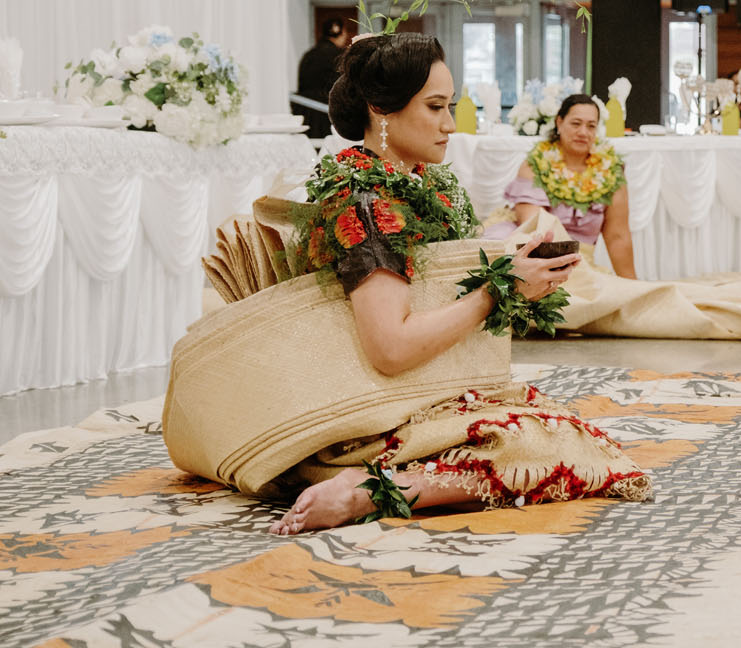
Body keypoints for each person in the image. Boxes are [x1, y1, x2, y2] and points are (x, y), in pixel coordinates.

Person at [164, 33, 651, 534]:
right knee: (545, 446)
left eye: (451, 106)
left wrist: (520, 283)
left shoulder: (424, 182)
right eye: (436, 107)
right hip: (362, 419)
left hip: (419, 393)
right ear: (382, 111)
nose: (449, 124)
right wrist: (496, 290)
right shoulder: (367, 204)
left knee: (571, 437)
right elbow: (390, 350)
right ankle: (371, 491)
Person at [487, 94, 638, 279]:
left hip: (580, 263)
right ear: (559, 123)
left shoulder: (611, 172)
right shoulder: (535, 165)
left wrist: (632, 285)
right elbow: (535, 228)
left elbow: (618, 237)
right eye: (576, 123)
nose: (583, 132)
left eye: (591, 126)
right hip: (536, 251)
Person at [292, 18, 350, 138]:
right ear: (342, 33)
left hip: (304, 113)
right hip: (325, 114)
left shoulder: (308, 55)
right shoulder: (339, 55)